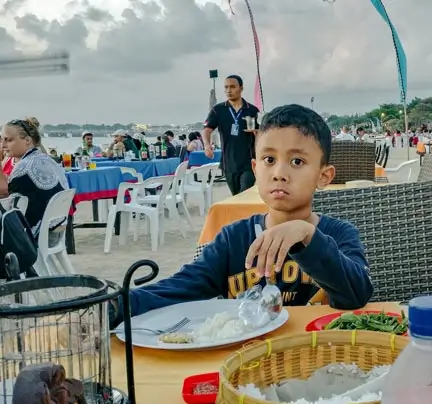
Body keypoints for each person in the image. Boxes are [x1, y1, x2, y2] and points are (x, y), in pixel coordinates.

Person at [109, 104, 373, 325]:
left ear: (324, 175)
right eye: (269, 160)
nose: (279, 173)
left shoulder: (338, 234)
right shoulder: (233, 240)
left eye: (297, 162)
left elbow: (356, 294)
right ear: (256, 170)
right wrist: (114, 306)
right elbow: (179, 288)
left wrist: (307, 236)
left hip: (316, 358)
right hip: (246, 364)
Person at [0, 118, 69, 239]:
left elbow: (5, 195)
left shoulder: (23, 168)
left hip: (39, 236)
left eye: (8, 140)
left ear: (27, 140)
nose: (3, 145)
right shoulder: (44, 159)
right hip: (56, 227)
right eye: (2, 140)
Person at [202, 74, 260, 195]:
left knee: (244, 195)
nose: (229, 90)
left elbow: (261, 132)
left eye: (232, 87)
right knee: (236, 196)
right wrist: (207, 145)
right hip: (229, 162)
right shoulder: (218, 110)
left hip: (249, 162)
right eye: (226, 87)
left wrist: (257, 133)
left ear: (241, 88)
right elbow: (207, 129)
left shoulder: (252, 110)